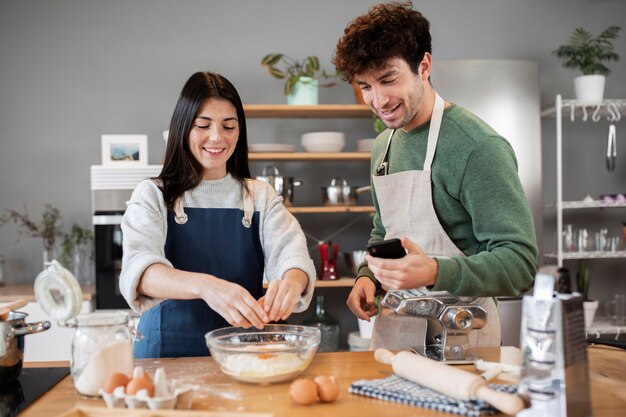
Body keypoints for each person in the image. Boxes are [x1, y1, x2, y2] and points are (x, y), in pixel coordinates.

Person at [333, 2, 538, 350]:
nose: (378, 100)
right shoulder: (383, 145)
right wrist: (368, 279)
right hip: (395, 336)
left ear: (423, 66)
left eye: (388, 79)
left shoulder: (477, 146)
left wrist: (435, 272)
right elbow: (385, 230)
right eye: (365, 86)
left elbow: (520, 265)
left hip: (463, 341)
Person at [119, 71, 316, 358]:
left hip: (241, 353)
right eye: (203, 125)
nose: (217, 137)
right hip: (164, 354)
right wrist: (207, 287)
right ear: (183, 127)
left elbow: (292, 256)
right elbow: (141, 271)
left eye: (228, 126)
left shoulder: (259, 196)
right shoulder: (152, 194)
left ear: (239, 131)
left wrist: (291, 283)